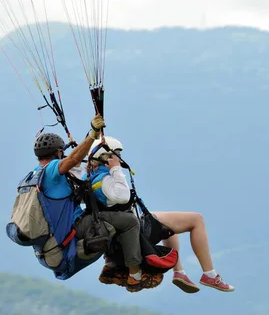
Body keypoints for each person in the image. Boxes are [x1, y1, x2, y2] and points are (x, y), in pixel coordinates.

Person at [86, 136, 235, 293]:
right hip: (132, 230)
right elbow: (123, 196)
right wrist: (116, 170)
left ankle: (180, 272)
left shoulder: (91, 176)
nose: (120, 159)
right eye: (116, 155)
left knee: (168, 225)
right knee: (196, 219)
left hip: (119, 228)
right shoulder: (106, 179)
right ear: (108, 157)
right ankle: (209, 274)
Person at [33, 115, 161, 293]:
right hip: (74, 226)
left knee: (107, 216)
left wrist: (88, 142)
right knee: (128, 221)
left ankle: (111, 266)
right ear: (59, 153)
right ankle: (135, 274)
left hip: (58, 229)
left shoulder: (36, 174)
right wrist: (93, 134)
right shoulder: (53, 169)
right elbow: (73, 161)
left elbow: (76, 167)